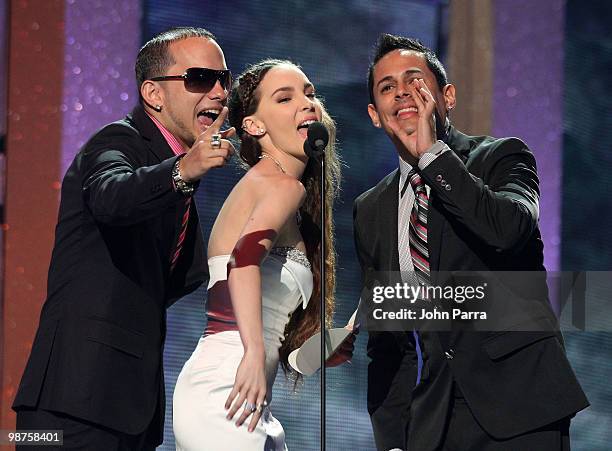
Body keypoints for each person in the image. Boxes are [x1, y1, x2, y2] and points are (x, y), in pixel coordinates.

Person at [353, 34, 589, 451]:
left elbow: (507, 230)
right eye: (387, 88)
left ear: (447, 96)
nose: (402, 92)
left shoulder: (502, 157)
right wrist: (392, 437)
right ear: (375, 114)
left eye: (415, 80)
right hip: (433, 422)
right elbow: (389, 343)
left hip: (520, 405)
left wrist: (431, 154)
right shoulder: (371, 209)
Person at [12, 27, 236, 450]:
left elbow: (175, 277)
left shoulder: (173, 168)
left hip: (127, 411)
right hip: (67, 408)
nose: (220, 92)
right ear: (153, 93)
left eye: (224, 79)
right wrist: (183, 171)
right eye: (201, 79)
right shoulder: (118, 141)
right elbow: (110, 196)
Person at [172, 59, 350, 451]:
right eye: (285, 98)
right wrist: (253, 352)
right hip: (226, 391)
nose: (306, 104)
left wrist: (317, 352)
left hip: (245, 396)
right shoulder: (280, 185)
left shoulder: (280, 191)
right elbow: (243, 262)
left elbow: (269, 328)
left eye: (310, 94)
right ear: (254, 125)